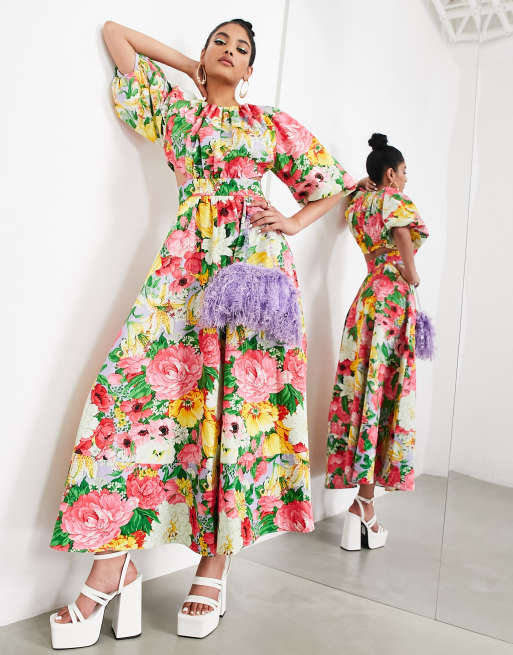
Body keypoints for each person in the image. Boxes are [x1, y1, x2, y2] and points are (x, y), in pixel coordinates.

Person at [49, 18, 371, 647]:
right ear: (204, 53)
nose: (229, 51)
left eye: (241, 49)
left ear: (251, 70)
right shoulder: (177, 113)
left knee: (237, 417)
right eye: (219, 42)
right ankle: (113, 568)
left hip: (254, 278)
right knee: (129, 400)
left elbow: (332, 183)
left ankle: (213, 568)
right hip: (185, 269)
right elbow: (116, 34)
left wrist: (292, 222)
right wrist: (187, 67)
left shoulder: (268, 123)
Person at [325, 133, 429, 551]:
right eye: (403, 172)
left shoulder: (359, 204)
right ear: (390, 174)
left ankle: (363, 505)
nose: (406, 178)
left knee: (364, 393)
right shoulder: (393, 200)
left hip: (367, 299)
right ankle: (364, 505)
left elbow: (349, 192)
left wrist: (360, 184)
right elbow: (402, 234)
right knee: (384, 392)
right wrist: (412, 274)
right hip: (393, 300)